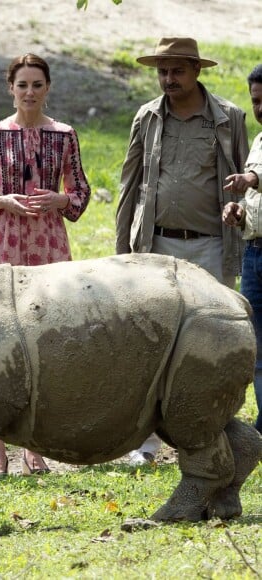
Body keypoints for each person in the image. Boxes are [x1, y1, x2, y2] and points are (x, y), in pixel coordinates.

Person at [116, 38, 250, 465]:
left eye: (177, 71)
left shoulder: (229, 118)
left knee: (210, 344)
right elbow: (129, 185)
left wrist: (241, 223)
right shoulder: (147, 116)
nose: (168, 79)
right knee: (149, 340)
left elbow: (248, 181)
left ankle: (210, 434)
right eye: (162, 71)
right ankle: (148, 443)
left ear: (196, 70)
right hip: (155, 244)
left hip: (210, 245)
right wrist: (123, 251)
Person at [0, 53, 91, 479]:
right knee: (4, 343)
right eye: (22, 85)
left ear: (47, 88)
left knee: (47, 344)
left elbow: (82, 192)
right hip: (8, 243)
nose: (29, 92)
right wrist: (2, 200)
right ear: (10, 88)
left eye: (37, 84)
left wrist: (61, 199)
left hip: (51, 244)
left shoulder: (64, 135)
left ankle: (35, 446)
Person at [222, 63, 262, 434]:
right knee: (257, 345)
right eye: (256, 101)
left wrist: (251, 178)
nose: (261, 108)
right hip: (255, 253)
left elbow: (257, 179)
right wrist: (240, 212)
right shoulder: (260, 141)